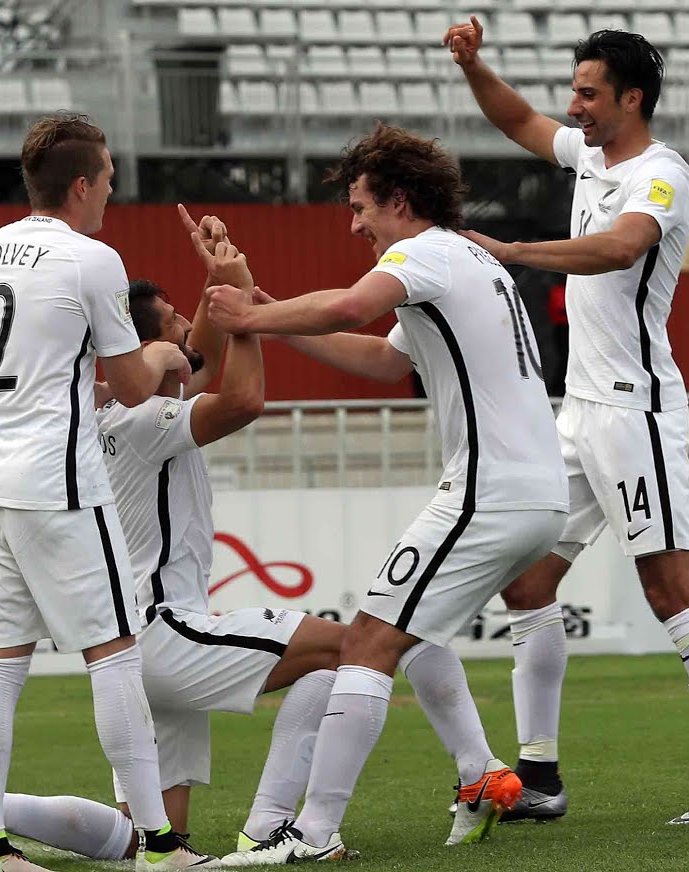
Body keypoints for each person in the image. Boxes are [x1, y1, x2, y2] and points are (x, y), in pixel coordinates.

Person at [0, 208, 348, 868]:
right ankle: (270, 825)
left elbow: (195, 364)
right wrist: (243, 307)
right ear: (147, 345)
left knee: (147, 836)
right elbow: (240, 398)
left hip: (140, 630)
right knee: (351, 649)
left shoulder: (101, 412)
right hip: (164, 633)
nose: (191, 330)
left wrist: (217, 285)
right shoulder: (148, 419)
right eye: (179, 323)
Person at [203, 123, 567, 863]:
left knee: (369, 639)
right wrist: (266, 312)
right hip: (531, 490)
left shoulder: (422, 252)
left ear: (399, 200)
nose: (354, 224)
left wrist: (249, 317)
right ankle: (479, 775)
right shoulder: (464, 257)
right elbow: (381, 358)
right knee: (413, 632)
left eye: (360, 206)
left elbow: (348, 308)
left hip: (489, 490)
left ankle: (313, 834)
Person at [442, 19, 689, 823]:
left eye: (589, 94)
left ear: (632, 98)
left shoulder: (662, 174)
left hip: (635, 410)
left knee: (670, 586)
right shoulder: (590, 155)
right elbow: (519, 120)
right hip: (580, 411)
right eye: (575, 91)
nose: (574, 106)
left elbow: (622, 248)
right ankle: (540, 775)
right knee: (526, 580)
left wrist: (515, 252)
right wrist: (474, 65)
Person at [0, 113, 209, 872]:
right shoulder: (92, 258)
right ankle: (161, 845)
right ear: (79, 185)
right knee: (115, 656)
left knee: (0, 664)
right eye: (107, 179)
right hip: (58, 484)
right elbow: (130, 385)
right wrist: (165, 352)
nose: (110, 193)